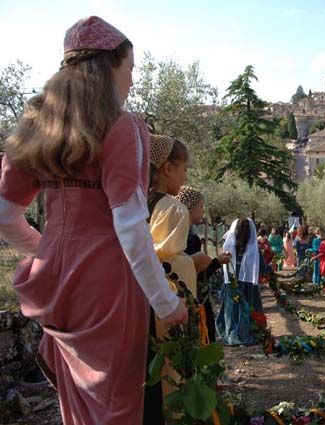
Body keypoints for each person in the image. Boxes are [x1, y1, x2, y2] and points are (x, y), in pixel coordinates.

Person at [0, 16, 186, 425]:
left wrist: (46, 249)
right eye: (130, 68)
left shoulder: (38, 126)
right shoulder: (121, 126)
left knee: (77, 405)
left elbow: (5, 215)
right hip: (108, 285)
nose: (132, 81)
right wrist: (166, 302)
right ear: (108, 67)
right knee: (116, 405)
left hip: (55, 281)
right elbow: (130, 227)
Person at [146, 134, 206, 422]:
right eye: (184, 169)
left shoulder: (134, 204)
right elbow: (165, 259)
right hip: (166, 306)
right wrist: (192, 263)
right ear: (168, 168)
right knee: (172, 372)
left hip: (135, 303)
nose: (185, 177)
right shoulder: (173, 208)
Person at [175, 185, 231, 341]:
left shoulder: (175, 237)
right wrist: (217, 261)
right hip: (195, 301)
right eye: (200, 207)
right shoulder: (191, 240)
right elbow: (196, 276)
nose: (203, 211)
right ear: (189, 209)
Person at [216, 218, 263, 346]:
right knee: (247, 307)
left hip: (231, 284)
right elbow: (261, 267)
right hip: (248, 285)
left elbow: (222, 265)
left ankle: (232, 333)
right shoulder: (254, 247)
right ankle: (246, 333)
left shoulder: (228, 245)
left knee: (232, 309)